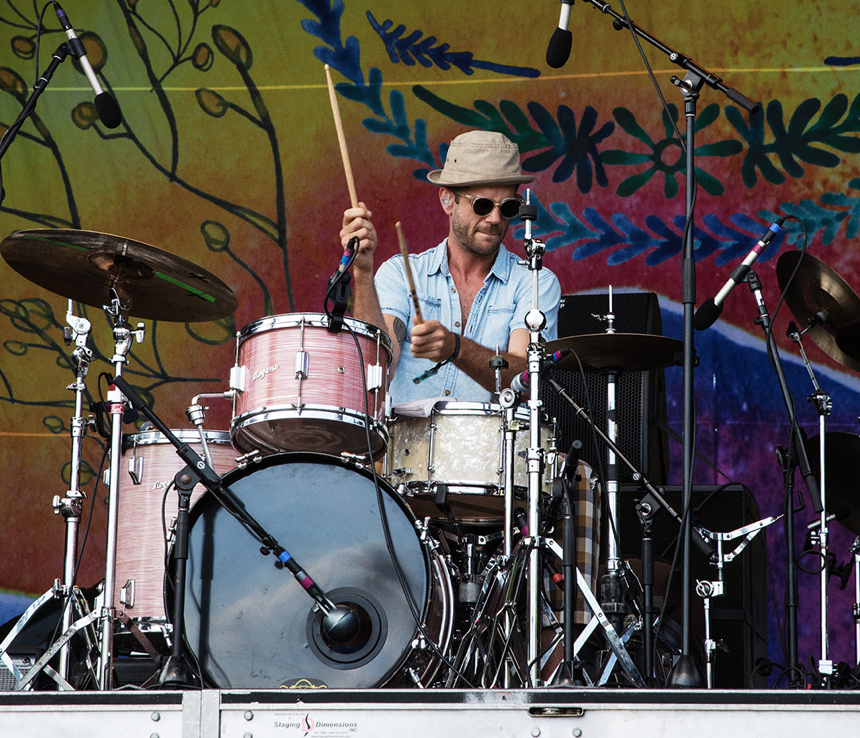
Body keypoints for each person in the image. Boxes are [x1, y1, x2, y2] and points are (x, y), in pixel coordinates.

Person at [339, 130, 561, 404]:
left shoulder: (535, 282)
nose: (494, 218)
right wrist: (362, 272)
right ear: (447, 201)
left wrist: (456, 348)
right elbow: (375, 368)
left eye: (507, 207)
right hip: (405, 445)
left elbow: (527, 381)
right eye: (482, 205)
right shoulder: (398, 272)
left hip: (493, 446)